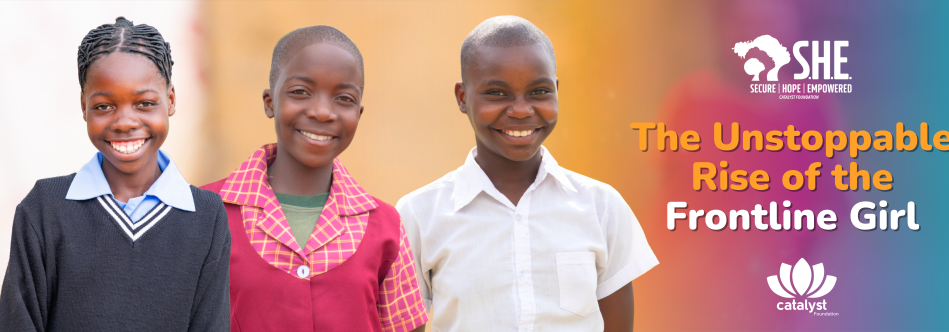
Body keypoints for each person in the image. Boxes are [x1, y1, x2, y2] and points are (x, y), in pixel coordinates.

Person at [396, 15, 658, 331]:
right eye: (496, 92)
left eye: (538, 92)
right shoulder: (419, 216)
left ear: (556, 91)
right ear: (463, 97)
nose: (521, 110)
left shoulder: (602, 207)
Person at [0, 17, 230, 331]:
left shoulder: (207, 215)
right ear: (84, 106)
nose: (124, 121)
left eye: (145, 103)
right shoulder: (43, 208)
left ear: (171, 100)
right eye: (105, 106)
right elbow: (17, 322)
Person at [201, 25, 427, 332]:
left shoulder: (386, 227)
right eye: (300, 92)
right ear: (270, 102)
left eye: (343, 98)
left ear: (359, 114)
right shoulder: (204, 214)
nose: (322, 112)